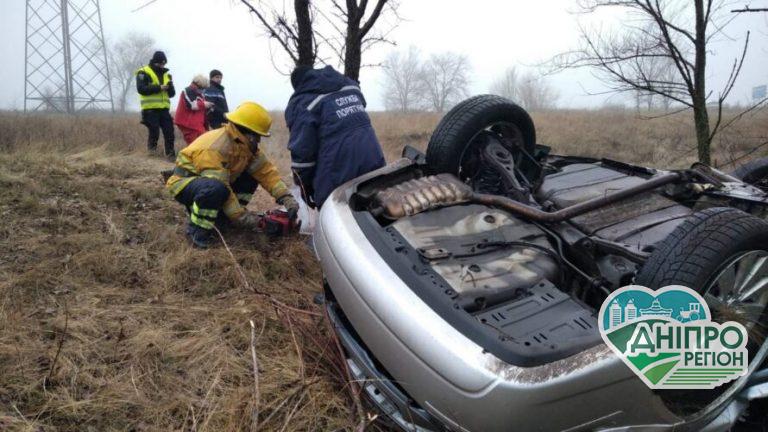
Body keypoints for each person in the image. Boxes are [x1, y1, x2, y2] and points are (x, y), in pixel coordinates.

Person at [165, 101, 300, 248]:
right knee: (215, 189)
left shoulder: (245, 146)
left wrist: (286, 197)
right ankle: (198, 233)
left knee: (250, 176)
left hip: (213, 184)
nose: (259, 140)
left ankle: (223, 219)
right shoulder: (217, 146)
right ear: (248, 132)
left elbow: (266, 172)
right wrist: (243, 218)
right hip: (184, 183)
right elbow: (220, 184)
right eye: (257, 135)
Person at [286, 65, 385, 209]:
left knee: (336, 216)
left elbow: (303, 156)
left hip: (338, 175)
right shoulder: (350, 87)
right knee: (374, 209)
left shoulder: (304, 103)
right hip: (375, 161)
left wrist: (305, 187)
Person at [136, 51, 176, 159]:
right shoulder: (143, 72)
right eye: (160, 63)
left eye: (164, 63)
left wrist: (170, 87)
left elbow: (172, 94)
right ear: (155, 62)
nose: (162, 66)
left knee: (170, 132)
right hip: (150, 109)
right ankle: (152, 155)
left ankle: (171, 156)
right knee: (154, 132)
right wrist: (159, 87)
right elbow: (141, 89)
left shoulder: (167, 75)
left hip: (164, 109)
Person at [175, 74, 213, 145]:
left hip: (197, 125)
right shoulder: (187, 91)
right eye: (203, 88)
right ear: (198, 85)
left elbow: (202, 112)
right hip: (188, 124)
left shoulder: (200, 95)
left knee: (201, 144)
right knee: (195, 145)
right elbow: (191, 105)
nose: (203, 90)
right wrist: (204, 104)